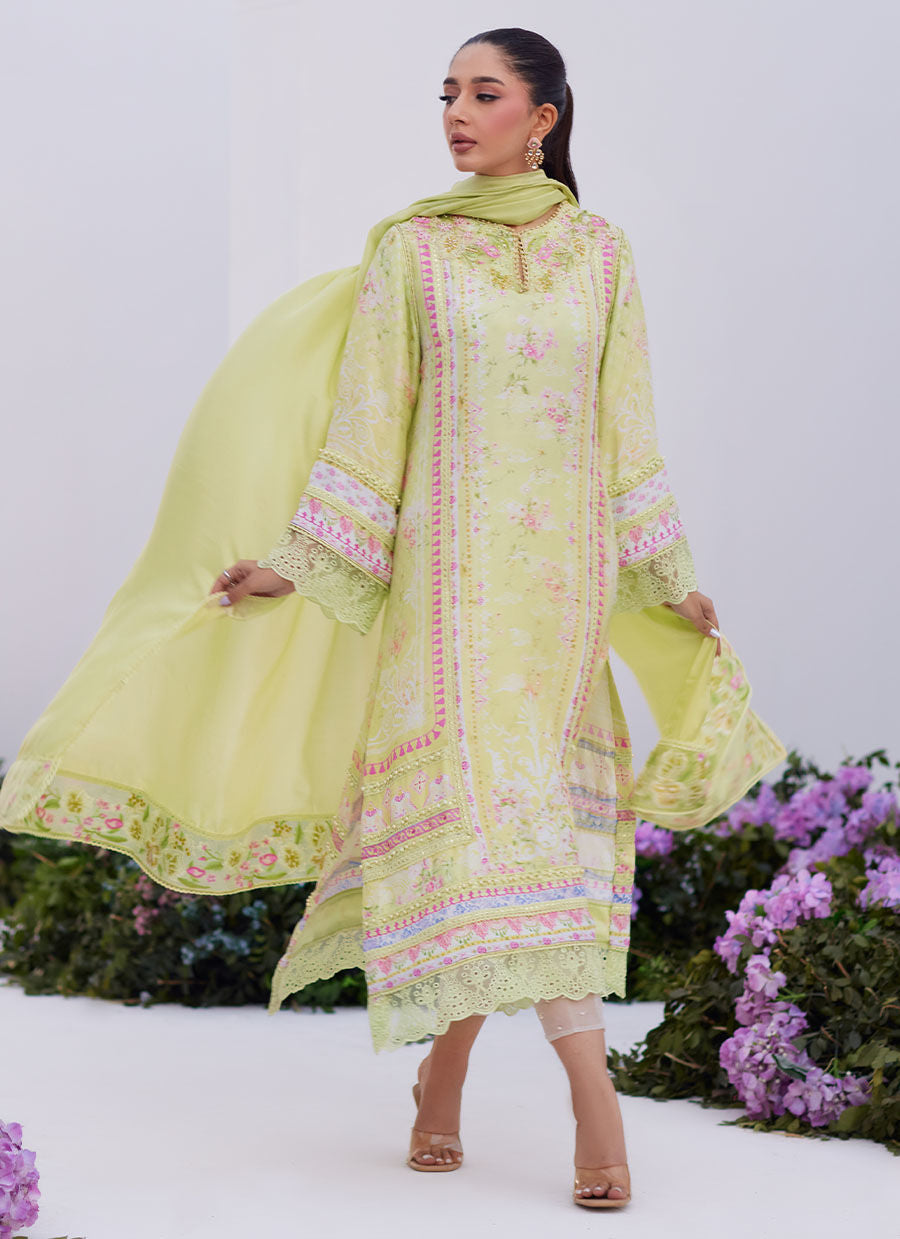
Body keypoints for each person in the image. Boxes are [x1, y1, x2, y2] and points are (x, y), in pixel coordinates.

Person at [0, 25, 785, 1212]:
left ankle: (444, 1074)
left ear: (544, 117)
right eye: (448, 93)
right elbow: (368, 435)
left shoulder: (603, 256)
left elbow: (627, 434)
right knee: (491, 832)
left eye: (485, 93)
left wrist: (670, 580)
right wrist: (290, 565)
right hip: (446, 602)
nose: (457, 113)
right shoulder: (413, 253)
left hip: (558, 603)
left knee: (522, 841)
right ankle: (596, 1106)